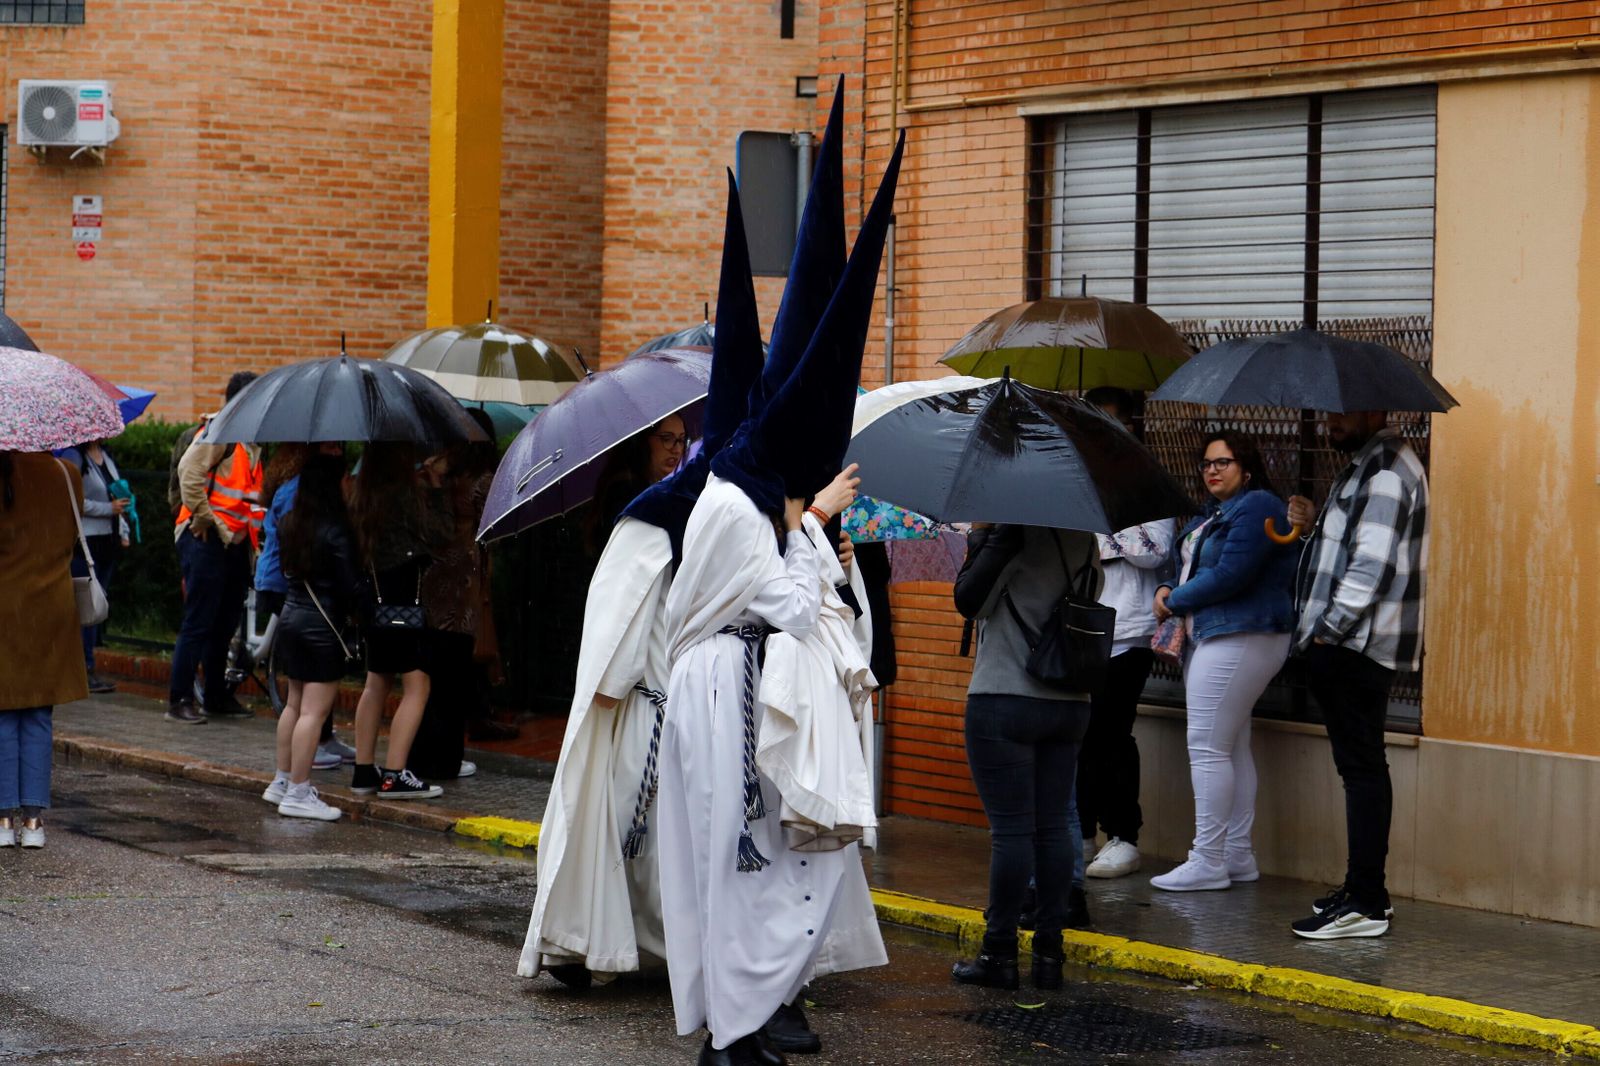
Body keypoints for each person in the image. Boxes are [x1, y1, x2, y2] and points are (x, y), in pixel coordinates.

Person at [519, 175, 768, 1000]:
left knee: (663, 840)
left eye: (678, 437)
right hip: (635, 703)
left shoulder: (691, 511)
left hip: (674, 696)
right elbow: (622, 621)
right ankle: (600, 945)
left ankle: (660, 953)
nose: (673, 449)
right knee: (628, 830)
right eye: (662, 439)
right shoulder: (640, 521)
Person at [1284, 411, 1428, 941]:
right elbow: (1354, 545)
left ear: (1375, 411)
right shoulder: (1366, 468)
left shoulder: (1386, 472)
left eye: (1342, 413)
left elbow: (1372, 565)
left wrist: (1327, 631)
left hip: (1354, 645)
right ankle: (1368, 894)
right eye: (1327, 413)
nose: (1330, 422)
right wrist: (1316, 518)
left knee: (1362, 770)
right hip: (1350, 643)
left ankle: (1365, 901)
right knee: (1362, 768)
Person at [950, 523, 1102, 991]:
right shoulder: (1085, 538)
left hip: (1005, 696)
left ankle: (999, 954)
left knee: (1012, 831)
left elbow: (969, 601)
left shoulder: (1008, 532)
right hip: (1069, 701)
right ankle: (1049, 957)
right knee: (1053, 826)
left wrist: (981, 540)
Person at [1148, 431, 1296, 893]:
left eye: (1224, 462)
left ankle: (1207, 859)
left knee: (1207, 746)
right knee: (1229, 746)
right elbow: (1188, 564)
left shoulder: (1257, 506)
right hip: (1218, 633)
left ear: (1246, 467)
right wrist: (1166, 586)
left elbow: (1232, 573)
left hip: (1243, 631)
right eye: (1207, 462)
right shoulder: (1208, 514)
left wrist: (1175, 600)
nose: (1213, 470)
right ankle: (1236, 855)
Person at [1076, 387, 1175, 880]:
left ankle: (1124, 834)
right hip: (1079, 625)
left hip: (1127, 628)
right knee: (1076, 732)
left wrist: (1105, 531)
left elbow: (1154, 550)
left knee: (1111, 733)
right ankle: (1079, 829)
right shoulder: (1077, 479)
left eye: (1111, 421)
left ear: (1130, 426)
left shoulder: (1145, 481)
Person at [261, 446, 363, 821]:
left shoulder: (292, 522)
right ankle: (300, 793)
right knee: (313, 713)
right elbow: (350, 585)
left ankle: (283, 780)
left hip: (291, 617)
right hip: (322, 626)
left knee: (293, 705)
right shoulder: (336, 529)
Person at [348, 441, 453, 799]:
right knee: (417, 685)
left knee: (376, 681)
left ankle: (364, 771)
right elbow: (442, 535)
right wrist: (436, 486)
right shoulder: (406, 494)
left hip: (375, 600)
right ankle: (395, 774)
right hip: (403, 598)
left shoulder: (363, 492)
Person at [0, 451, 90, 849]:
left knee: (3, 710)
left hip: (5, 605)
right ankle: (33, 822)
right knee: (39, 710)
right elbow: (70, 534)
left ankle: (3, 819)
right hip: (52, 605)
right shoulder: (66, 473)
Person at [168, 371, 263, 724]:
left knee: (224, 624)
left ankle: (216, 697)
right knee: (199, 622)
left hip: (232, 544)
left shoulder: (249, 442)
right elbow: (188, 471)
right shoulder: (221, 432)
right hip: (205, 539)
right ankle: (179, 700)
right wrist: (205, 518)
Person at [410, 408, 498, 783]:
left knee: (431, 675)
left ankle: (421, 757)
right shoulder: (485, 480)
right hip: (463, 579)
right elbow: (492, 526)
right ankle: (445, 760)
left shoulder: (434, 473)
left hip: (432, 577)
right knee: (454, 678)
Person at [59, 439, 132, 695]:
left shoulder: (105, 456)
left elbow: (118, 495)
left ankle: (87, 665)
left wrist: (124, 527)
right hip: (85, 542)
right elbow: (71, 498)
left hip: (107, 541)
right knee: (85, 607)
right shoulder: (75, 456)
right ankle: (83, 669)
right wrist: (107, 509)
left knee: (98, 606)